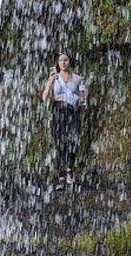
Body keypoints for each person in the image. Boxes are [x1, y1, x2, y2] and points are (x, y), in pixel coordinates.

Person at [41, 53, 86, 185]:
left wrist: (82, 97)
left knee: (74, 141)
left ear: (69, 61)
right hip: (58, 109)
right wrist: (49, 82)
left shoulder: (78, 78)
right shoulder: (54, 78)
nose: (63, 62)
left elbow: (83, 97)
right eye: (60, 60)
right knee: (60, 142)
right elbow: (44, 97)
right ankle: (61, 173)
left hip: (73, 110)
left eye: (65, 60)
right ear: (57, 62)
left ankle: (70, 169)